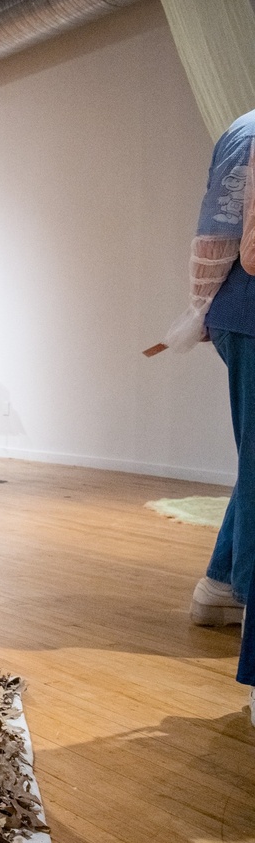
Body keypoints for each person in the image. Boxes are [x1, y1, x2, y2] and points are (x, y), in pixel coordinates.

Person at [163, 107, 255, 720]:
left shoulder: (245, 127)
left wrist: (201, 312)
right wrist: (200, 312)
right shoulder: (251, 131)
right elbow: (239, 246)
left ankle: (221, 586)